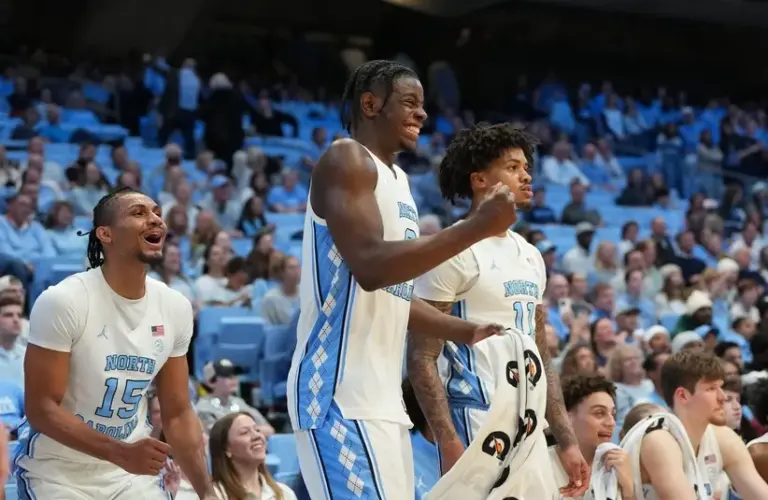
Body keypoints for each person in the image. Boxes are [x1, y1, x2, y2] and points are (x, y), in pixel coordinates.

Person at [287, 60, 517, 500]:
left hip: (384, 399)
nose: (422, 114)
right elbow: (372, 268)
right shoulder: (346, 158)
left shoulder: (400, 181)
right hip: (335, 392)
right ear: (370, 104)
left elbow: (395, 290)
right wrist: (475, 227)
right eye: (410, 102)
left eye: (424, 105)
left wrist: (464, 331)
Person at [407, 123, 588, 496]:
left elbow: (542, 353)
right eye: (512, 167)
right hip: (477, 416)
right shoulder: (454, 251)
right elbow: (422, 357)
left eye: (526, 167)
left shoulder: (531, 255)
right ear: (478, 180)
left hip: (530, 423)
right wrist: (447, 440)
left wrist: (566, 439)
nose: (526, 175)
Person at [16, 188, 216, 499]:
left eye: (157, 213)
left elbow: (177, 413)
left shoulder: (175, 306)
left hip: (130, 476)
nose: (155, 221)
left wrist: (207, 492)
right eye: (138, 213)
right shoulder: (65, 301)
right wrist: (120, 452)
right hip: (58, 473)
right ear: (105, 234)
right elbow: (41, 409)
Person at [627, 350, 768, 499]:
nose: (722, 397)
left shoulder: (724, 437)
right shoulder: (658, 440)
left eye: (720, 387)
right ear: (683, 395)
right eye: (711, 389)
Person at [554, 374, 634, 499]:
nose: (611, 423)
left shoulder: (616, 465)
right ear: (567, 419)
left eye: (613, 414)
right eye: (599, 413)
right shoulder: (541, 465)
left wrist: (628, 491)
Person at [209, 412, 297, 499]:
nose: (257, 436)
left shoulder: (284, 493)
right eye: (244, 432)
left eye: (257, 430)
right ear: (227, 449)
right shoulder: (215, 496)